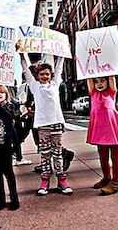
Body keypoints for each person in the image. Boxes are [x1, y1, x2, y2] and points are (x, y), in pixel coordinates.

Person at [20, 52, 73, 196]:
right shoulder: (35, 87)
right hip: (43, 125)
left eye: (48, 74)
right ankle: (45, 181)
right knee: (45, 154)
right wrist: (22, 55)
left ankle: (62, 180)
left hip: (56, 124)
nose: (45, 76)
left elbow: (60, 68)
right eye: (42, 74)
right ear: (37, 76)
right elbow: (26, 70)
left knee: (58, 153)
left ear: (51, 75)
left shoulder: (55, 84)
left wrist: (62, 53)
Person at [87, 77, 118, 195]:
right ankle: (106, 178)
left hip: (113, 130)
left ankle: (115, 183)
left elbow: (111, 76)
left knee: (115, 157)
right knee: (103, 157)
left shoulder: (111, 92)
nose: (99, 84)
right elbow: (87, 76)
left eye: (102, 80)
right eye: (96, 81)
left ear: (108, 81)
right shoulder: (93, 93)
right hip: (100, 131)